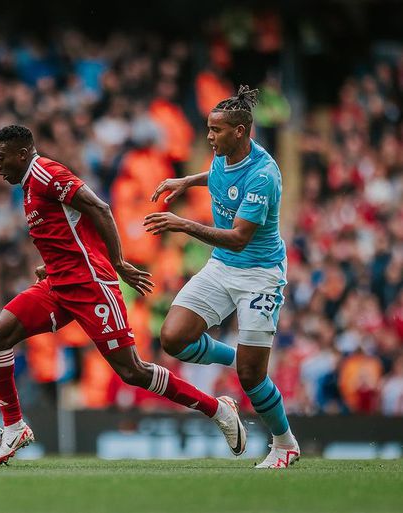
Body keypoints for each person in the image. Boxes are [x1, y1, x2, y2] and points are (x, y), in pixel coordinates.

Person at [0, 125, 246, 465]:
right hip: (60, 285)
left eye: (1, 158)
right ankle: (15, 426)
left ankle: (218, 410)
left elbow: (100, 208)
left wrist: (119, 262)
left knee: (132, 371)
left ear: (22, 154)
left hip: (91, 285)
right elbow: (71, 232)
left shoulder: (46, 173)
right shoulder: (28, 185)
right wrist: (51, 267)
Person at [145, 85, 299, 469]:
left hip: (260, 275)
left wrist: (183, 224)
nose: (209, 136)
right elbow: (218, 174)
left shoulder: (263, 175)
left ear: (241, 131)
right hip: (222, 266)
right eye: (209, 129)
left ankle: (285, 444)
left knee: (251, 378)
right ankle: (239, 357)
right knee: (173, 337)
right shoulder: (224, 154)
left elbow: (238, 237)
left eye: (216, 130)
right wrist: (187, 182)